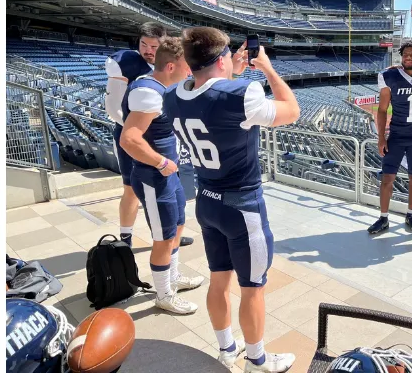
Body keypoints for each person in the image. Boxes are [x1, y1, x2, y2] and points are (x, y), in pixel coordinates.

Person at [164, 27, 300, 373]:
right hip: (242, 206)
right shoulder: (242, 93)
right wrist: (266, 68)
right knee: (252, 288)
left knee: (218, 280)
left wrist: (230, 73)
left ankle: (227, 349)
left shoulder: (172, 95)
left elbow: (207, 99)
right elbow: (291, 110)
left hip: (206, 201)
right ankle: (257, 360)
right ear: (222, 59)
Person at [117, 37, 204, 314]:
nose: (190, 71)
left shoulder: (161, 86)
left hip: (167, 175)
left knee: (178, 226)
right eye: (187, 66)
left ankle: (173, 277)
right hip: (154, 176)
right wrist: (161, 162)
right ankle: (163, 294)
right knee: (163, 237)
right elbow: (129, 139)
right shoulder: (148, 92)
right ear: (170, 66)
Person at [105, 22, 165, 246]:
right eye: (144, 44)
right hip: (132, 134)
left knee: (160, 188)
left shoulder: (167, 63)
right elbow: (113, 108)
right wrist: (139, 128)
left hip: (157, 135)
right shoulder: (128, 61)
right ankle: (126, 238)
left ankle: (163, 234)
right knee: (131, 189)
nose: (148, 50)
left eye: (154, 46)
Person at [368, 39, 412, 236]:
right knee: (387, 178)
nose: (408, 57)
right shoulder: (390, 76)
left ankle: (410, 214)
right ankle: (383, 217)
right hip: (396, 136)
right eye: (405, 54)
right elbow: (382, 109)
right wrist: (381, 137)